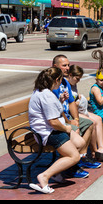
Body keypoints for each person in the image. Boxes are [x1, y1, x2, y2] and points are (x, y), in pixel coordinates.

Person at [28, 66, 85, 194]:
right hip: (48, 133)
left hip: (52, 129)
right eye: (61, 80)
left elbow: (51, 112)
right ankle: (45, 176)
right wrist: (66, 128)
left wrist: (60, 100)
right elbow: (53, 122)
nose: (61, 83)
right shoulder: (46, 95)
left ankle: (56, 173)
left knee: (80, 143)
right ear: (56, 80)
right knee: (74, 157)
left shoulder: (44, 92)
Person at [52, 54, 101, 173]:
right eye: (64, 65)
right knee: (75, 130)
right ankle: (71, 165)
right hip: (58, 120)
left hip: (67, 117)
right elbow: (57, 110)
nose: (68, 68)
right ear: (55, 66)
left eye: (68, 65)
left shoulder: (65, 82)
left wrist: (76, 119)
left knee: (89, 124)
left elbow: (71, 102)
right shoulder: (53, 84)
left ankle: (82, 157)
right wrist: (70, 122)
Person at [67, 64, 103, 163]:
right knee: (91, 122)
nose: (78, 81)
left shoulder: (73, 83)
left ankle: (102, 148)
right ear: (70, 75)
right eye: (77, 78)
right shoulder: (65, 84)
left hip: (78, 109)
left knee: (98, 119)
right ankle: (94, 152)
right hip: (71, 112)